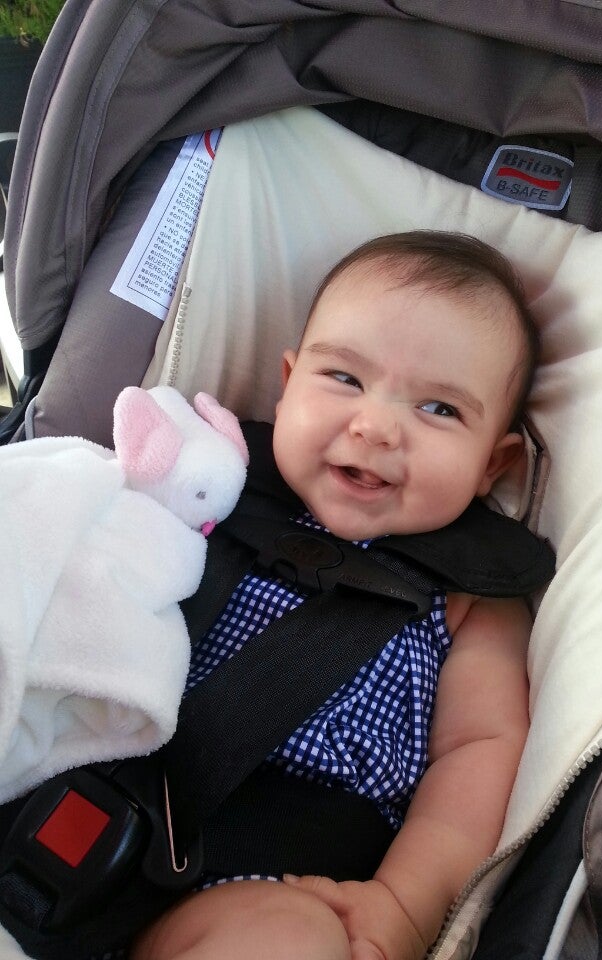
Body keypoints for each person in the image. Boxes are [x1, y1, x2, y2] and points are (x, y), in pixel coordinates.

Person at [132, 230, 543, 960]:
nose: (376, 427)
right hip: (93, 780)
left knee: (289, 943)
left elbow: (478, 755)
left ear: (493, 463)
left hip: (274, 876)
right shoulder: (214, 486)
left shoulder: (474, 599)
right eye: (345, 379)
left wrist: (405, 902)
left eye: (439, 409)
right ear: (288, 383)